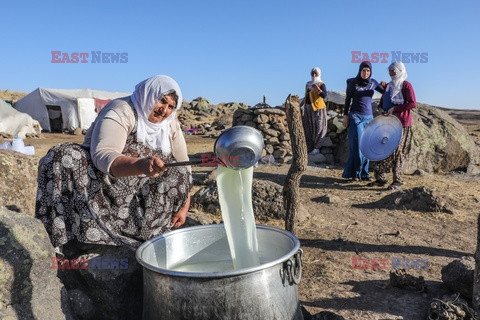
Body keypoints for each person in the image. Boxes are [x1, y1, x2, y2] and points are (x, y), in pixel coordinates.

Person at [35, 75, 192, 250]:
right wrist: (139, 165)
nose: (164, 110)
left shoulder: (170, 125)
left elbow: (183, 164)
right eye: (162, 101)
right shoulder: (122, 110)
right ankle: (69, 238)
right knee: (64, 155)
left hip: (137, 196)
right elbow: (104, 154)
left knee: (180, 173)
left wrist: (185, 205)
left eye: (171, 106)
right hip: (101, 186)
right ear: (149, 94)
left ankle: (148, 237)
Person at [369, 62, 416, 190]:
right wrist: (380, 108)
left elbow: (412, 103)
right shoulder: (389, 86)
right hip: (388, 123)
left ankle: (398, 180)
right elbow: (383, 100)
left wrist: (395, 108)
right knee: (382, 149)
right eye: (389, 70)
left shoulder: (406, 85)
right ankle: (381, 179)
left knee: (398, 152)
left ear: (400, 70)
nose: (391, 72)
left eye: (393, 70)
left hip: (402, 124)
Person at [342, 61, 385, 181]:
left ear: (370, 72)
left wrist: (386, 85)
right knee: (357, 145)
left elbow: (385, 92)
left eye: (368, 71)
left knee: (367, 145)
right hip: (355, 116)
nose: (366, 73)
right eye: (363, 70)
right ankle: (355, 173)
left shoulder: (373, 83)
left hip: (369, 118)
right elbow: (347, 100)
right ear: (359, 71)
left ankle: (364, 174)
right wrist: (345, 116)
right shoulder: (352, 83)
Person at [300, 67, 328, 155]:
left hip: (318, 108)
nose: (314, 75)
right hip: (308, 109)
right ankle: (310, 147)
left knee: (319, 127)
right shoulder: (308, 84)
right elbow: (306, 96)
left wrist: (318, 90)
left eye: (316, 73)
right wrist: (300, 105)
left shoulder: (321, 84)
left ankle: (317, 148)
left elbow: (324, 96)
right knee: (309, 127)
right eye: (313, 73)